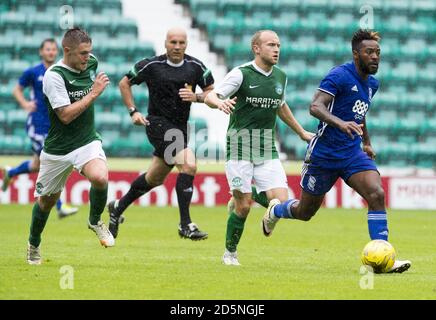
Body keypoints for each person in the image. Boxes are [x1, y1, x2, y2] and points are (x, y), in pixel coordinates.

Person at [262, 29, 411, 273]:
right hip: (324, 154)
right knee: (305, 212)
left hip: (352, 153)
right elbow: (315, 106)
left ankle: (383, 256)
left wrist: (366, 142)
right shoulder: (339, 76)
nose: (375, 57)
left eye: (378, 52)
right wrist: (340, 123)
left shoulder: (372, 84)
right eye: (369, 52)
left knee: (376, 193)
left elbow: (359, 114)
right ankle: (276, 210)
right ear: (356, 55)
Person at [204, 30, 314, 265]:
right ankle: (230, 253)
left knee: (282, 201)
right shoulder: (241, 74)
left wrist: (302, 132)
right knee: (243, 207)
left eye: (278, 45)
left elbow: (280, 106)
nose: (276, 49)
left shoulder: (280, 76)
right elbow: (210, 97)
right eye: (271, 44)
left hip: (265, 145)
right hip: (240, 143)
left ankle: (248, 198)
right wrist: (220, 102)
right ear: (257, 48)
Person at [107, 27, 214, 240]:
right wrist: (133, 111)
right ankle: (185, 225)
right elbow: (124, 83)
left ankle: (117, 208)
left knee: (154, 179)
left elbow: (211, 91)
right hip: (156, 124)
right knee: (190, 164)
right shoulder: (152, 65)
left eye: (181, 43)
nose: (177, 46)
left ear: (186, 44)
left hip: (180, 128)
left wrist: (197, 97)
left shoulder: (196, 67)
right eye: (173, 42)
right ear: (165, 43)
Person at [26, 27, 114, 265]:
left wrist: (91, 91)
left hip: (86, 140)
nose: (88, 57)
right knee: (46, 202)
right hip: (58, 149)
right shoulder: (54, 76)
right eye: (83, 53)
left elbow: (89, 72)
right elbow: (65, 115)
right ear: (67, 51)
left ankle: (95, 221)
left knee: (100, 177)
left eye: (89, 52)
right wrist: (93, 94)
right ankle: (33, 243)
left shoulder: (91, 63)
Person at [1, 39, 78, 218]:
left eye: (53, 49)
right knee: (49, 161)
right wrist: (25, 104)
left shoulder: (60, 72)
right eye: (47, 49)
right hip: (37, 124)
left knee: (37, 164)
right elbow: (16, 90)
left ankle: (10, 172)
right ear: (41, 52)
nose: (51, 52)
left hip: (53, 124)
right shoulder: (33, 72)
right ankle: (60, 206)